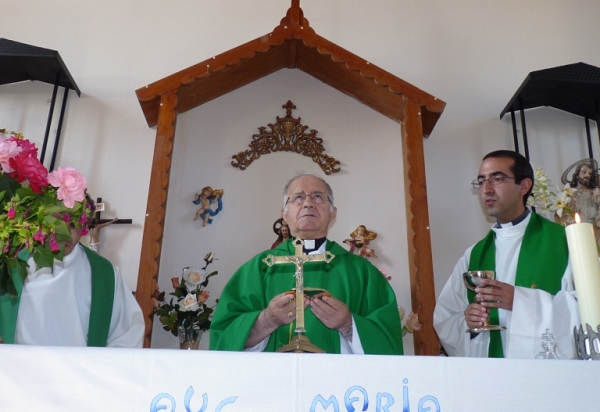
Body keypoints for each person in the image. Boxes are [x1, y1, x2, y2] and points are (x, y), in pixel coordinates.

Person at [210, 174, 403, 354]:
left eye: (318, 197)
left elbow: (388, 342)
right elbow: (224, 339)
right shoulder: (259, 269)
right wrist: (266, 320)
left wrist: (348, 325)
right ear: (284, 214)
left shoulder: (362, 273)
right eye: (298, 198)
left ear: (332, 213)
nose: (308, 203)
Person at [434, 150, 580, 359]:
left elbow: (588, 309)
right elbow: (446, 317)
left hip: (549, 379)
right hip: (492, 380)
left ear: (524, 186)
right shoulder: (474, 254)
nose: (486, 189)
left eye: (497, 179)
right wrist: (468, 320)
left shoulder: (565, 242)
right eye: (481, 181)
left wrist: (520, 301)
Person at [4, 224, 145, 348]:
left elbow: (127, 336)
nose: (65, 232)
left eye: (73, 224)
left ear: (84, 226)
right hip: (21, 372)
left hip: (78, 374)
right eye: (58, 221)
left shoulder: (104, 274)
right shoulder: (11, 266)